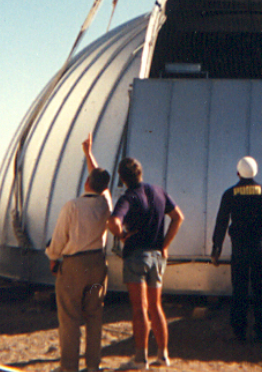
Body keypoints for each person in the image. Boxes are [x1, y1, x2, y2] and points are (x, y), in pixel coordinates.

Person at [107, 157, 184, 369]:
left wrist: (121, 234)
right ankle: (163, 354)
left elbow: (113, 222)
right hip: (157, 257)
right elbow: (178, 217)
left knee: (139, 308)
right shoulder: (159, 192)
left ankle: (141, 359)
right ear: (140, 173)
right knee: (155, 306)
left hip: (136, 257)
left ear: (122, 178)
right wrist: (165, 245)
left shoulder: (129, 197)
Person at [45, 135, 112, 372]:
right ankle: (93, 366)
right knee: (94, 315)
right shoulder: (106, 204)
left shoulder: (72, 206)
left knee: (70, 317)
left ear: (86, 182)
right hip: (97, 266)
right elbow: (100, 182)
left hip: (74, 268)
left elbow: (59, 239)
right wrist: (89, 154)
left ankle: (69, 367)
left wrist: (53, 258)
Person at [211, 156, 262, 343]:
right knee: (261, 290)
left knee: (239, 290)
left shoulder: (230, 194)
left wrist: (216, 249)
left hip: (240, 250)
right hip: (260, 249)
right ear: (255, 172)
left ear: (238, 173)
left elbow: (221, 223)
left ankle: (239, 332)